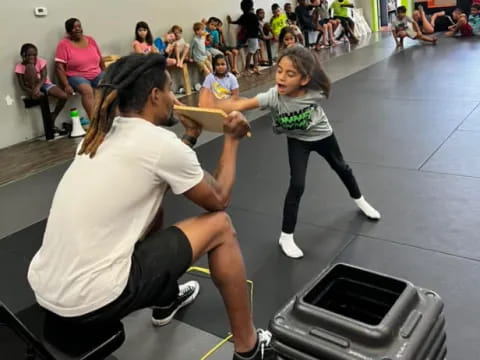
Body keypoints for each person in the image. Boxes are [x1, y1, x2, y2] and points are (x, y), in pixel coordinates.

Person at [27, 53, 275, 360]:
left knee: (152, 198)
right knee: (220, 226)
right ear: (154, 95)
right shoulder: (158, 144)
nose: (174, 98)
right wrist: (232, 139)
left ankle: (165, 300)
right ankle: (248, 347)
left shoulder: (96, 136)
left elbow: (157, 171)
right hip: (90, 300)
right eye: (170, 90)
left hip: (47, 289)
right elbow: (219, 197)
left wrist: (190, 136)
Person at [201, 47, 381, 259]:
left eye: (290, 74)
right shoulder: (273, 97)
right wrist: (212, 105)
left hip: (323, 135)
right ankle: (286, 236)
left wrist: (310, 64)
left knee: (342, 168)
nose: (281, 77)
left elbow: (320, 78)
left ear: (304, 80)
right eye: (279, 71)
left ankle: (359, 200)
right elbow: (241, 103)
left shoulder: (316, 93)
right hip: (298, 141)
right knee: (297, 184)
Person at [55, 18, 105, 120]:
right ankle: (94, 122)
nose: (77, 29)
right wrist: (66, 85)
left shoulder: (90, 40)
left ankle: (112, 117)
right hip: (76, 76)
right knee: (87, 91)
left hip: (96, 73)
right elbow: (59, 67)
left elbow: (100, 59)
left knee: (110, 86)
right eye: (74, 28)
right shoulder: (64, 44)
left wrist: (105, 73)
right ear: (68, 32)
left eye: (79, 26)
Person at [16, 43, 67, 124]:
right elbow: (22, 85)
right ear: (23, 55)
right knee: (30, 67)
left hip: (43, 84)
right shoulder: (19, 67)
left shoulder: (41, 61)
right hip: (31, 87)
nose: (32, 57)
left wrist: (38, 88)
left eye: (34, 55)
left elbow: (44, 77)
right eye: (29, 55)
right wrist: (32, 91)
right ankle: (35, 94)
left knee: (63, 96)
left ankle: (54, 115)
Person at [227, 0, 261, 75]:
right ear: (251, 7)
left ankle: (255, 67)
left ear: (242, 8)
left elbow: (237, 22)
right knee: (252, 52)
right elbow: (258, 26)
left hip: (250, 36)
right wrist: (260, 34)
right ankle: (247, 69)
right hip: (254, 37)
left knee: (255, 52)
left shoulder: (244, 16)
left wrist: (230, 21)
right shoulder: (253, 16)